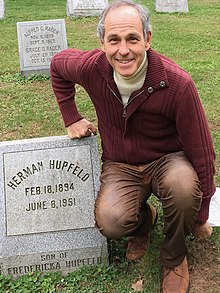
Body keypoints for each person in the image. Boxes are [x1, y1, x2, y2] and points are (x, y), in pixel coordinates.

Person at [50, 1, 216, 292]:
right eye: (114, 40)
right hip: (121, 164)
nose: (123, 50)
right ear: (102, 42)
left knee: (182, 187)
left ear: (148, 39)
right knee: (112, 222)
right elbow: (57, 65)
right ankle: (144, 222)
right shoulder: (91, 68)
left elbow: (201, 150)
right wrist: (71, 115)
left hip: (167, 159)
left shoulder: (177, 83)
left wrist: (201, 214)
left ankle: (174, 256)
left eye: (133, 39)